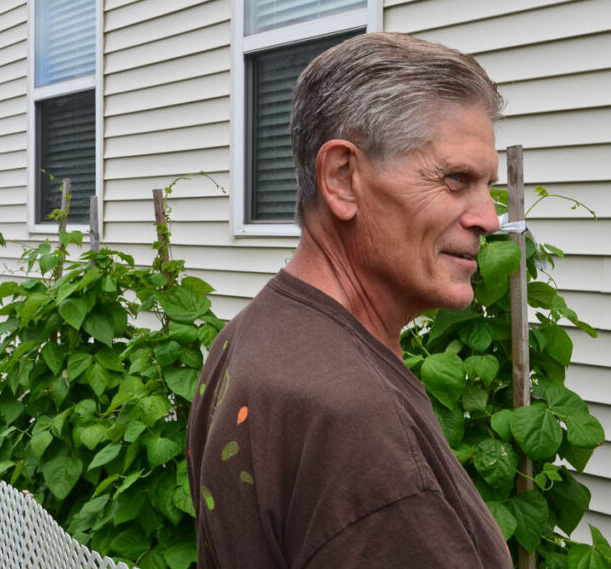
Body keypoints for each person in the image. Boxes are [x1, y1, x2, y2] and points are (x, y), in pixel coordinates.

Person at [187, 32, 512, 568]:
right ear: (342, 179)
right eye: (457, 179)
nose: (489, 218)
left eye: (488, 186)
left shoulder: (253, 333)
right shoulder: (357, 423)